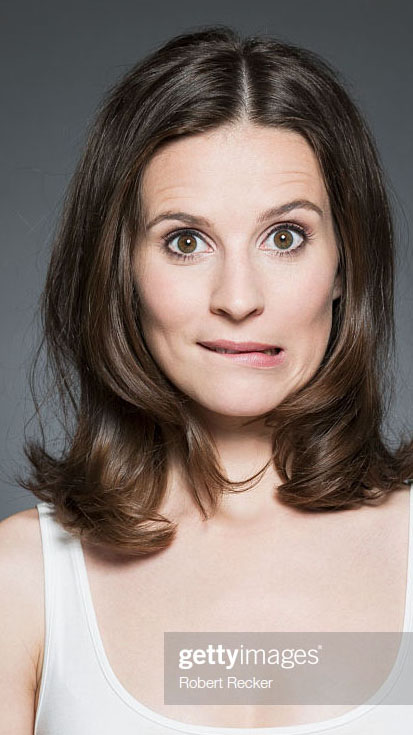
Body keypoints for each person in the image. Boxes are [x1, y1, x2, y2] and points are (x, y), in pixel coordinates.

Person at [1, 25, 412, 734]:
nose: (238, 297)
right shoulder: (21, 578)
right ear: (122, 270)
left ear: (345, 264)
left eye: (285, 236)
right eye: (185, 241)